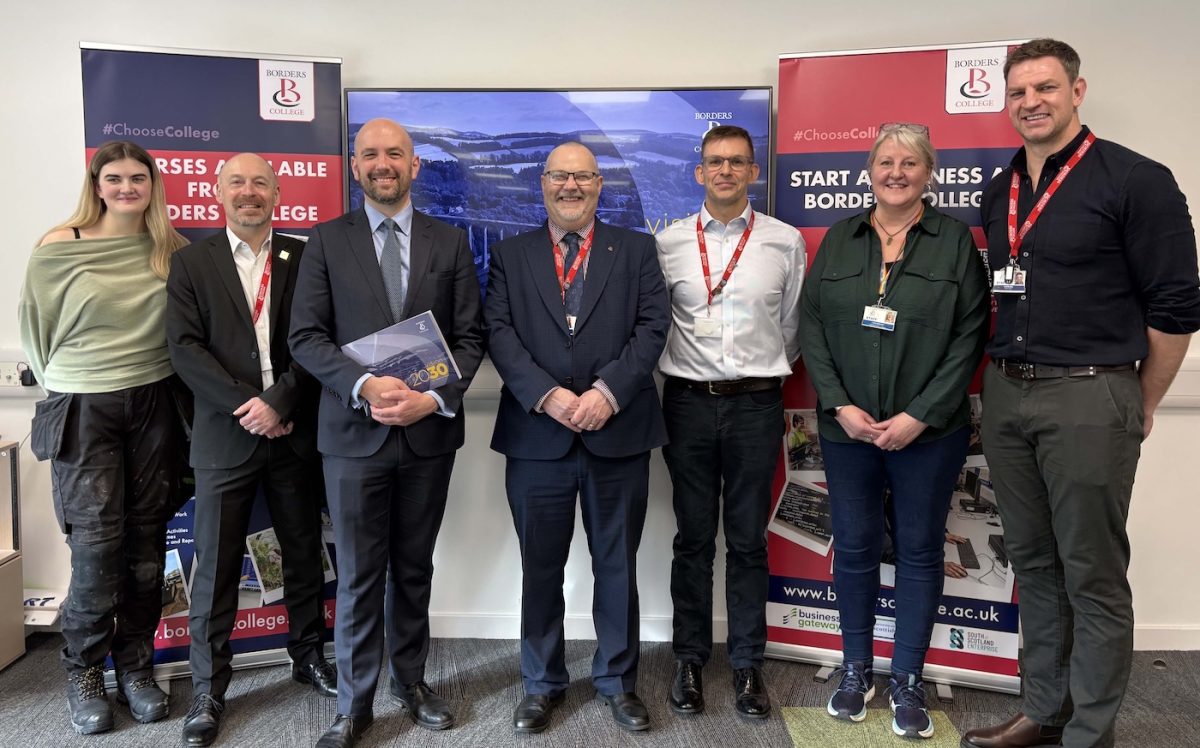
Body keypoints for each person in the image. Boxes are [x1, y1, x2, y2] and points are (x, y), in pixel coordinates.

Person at [964, 39, 1200, 748]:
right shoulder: (1000, 189)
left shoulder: (1136, 179)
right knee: (1031, 562)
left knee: (1092, 572)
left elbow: (1178, 304)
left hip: (1092, 394)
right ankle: (1044, 709)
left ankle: (1089, 732)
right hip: (1007, 395)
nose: (1030, 102)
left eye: (1045, 88)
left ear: (1077, 90)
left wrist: (1142, 400)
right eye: (1018, 93)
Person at [289, 118, 484, 748]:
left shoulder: (449, 242)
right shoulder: (325, 241)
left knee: (414, 567)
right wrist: (366, 386)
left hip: (427, 437)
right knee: (357, 575)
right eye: (370, 154)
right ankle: (353, 704)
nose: (383, 164)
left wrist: (432, 398)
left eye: (394, 154)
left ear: (414, 165)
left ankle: (412, 681)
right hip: (352, 435)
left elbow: (470, 338)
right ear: (355, 166)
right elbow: (306, 338)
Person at [799, 124, 988, 739]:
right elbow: (812, 326)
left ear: (929, 173)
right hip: (847, 430)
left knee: (917, 551)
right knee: (852, 549)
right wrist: (838, 405)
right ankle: (857, 669)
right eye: (885, 161)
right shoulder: (839, 239)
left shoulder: (954, 241)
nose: (896, 172)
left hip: (928, 436)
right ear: (870, 170)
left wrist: (920, 415)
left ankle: (907, 675)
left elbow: (970, 337)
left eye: (910, 162)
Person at [484, 141, 668, 735]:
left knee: (617, 564)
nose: (571, 186)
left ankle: (617, 681)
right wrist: (548, 395)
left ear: (599, 185)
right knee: (541, 566)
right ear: (542, 183)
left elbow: (652, 326)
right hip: (538, 436)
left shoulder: (636, 249)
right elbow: (499, 331)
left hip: (617, 432)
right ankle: (541, 683)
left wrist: (606, 392)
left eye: (583, 176)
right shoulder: (511, 255)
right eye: (560, 175)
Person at [166, 153, 337, 747]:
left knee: (302, 551)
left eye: (259, 182)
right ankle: (209, 687)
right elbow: (184, 350)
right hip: (225, 435)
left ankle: (308, 655)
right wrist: (250, 405)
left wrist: (281, 403)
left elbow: (320, 340)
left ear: (277, 191)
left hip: (294, 431)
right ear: (217, 193)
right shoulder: (191, 262)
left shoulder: (304, 254)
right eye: (236, 183)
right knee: (212, 567)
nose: (248, 192)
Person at [18, 141, 188, 735]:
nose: (125, 188)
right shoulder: (60, 246)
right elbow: (35, 331)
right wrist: (77, 376)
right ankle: (83, 671)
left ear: (153, 184)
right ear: (96, 184)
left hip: (154, 402)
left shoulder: (173, 249)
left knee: (146, 546)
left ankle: (135, 669)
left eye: (137, 177)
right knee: (95, 548)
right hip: (83, 405)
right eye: (113, 178)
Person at [655, 125, 804, 719]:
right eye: (715, 162)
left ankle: (747, 666)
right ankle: (690, 660)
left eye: (737, 162)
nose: (725, 171)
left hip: (756, 406)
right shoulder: (666, 243)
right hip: (687, 403)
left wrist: (756, 373)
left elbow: (790, 329)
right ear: (699, 172)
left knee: (746, 541)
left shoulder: (784, 241)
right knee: (692, 539)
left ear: (753, 172)